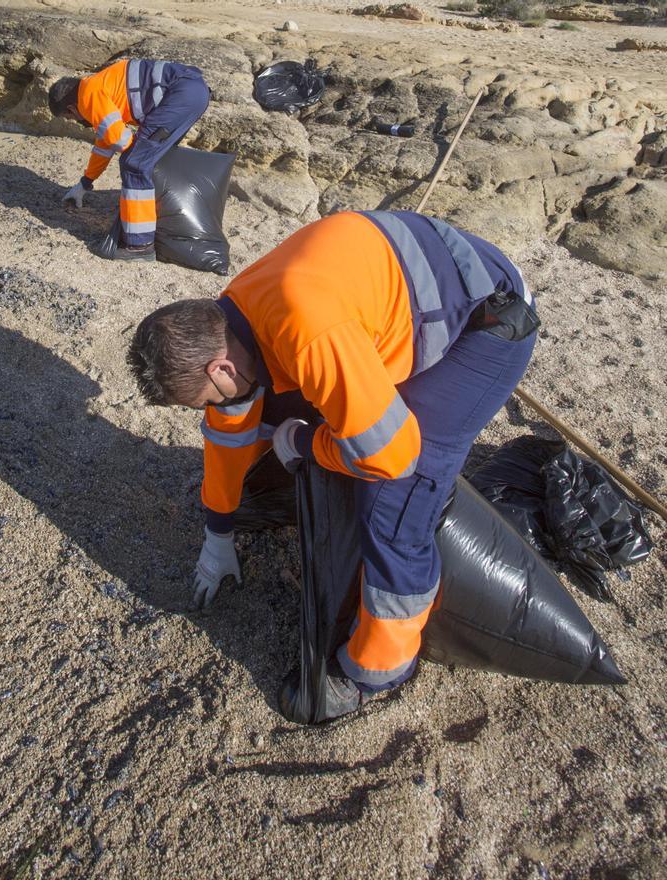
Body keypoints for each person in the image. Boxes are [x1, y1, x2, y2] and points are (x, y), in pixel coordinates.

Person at [126, 210, 539, 721]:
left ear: (220, 366)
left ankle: (377, 669)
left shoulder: (304, 328)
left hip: (486, 319)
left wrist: (307, 444)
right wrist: (219, 530)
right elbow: (231, 429)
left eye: (203, 398)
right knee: (277, 409)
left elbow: (393, 454)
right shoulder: (229, 320)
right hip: (405, 288)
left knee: (393, 501)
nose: (210, 408)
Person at [48, 59, 210, 262]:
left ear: (71, 109)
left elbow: (119, 141)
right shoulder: (98, 86)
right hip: (193, 92)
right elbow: (104, 144)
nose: (78, 123)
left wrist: (138, 153)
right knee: (150, 159)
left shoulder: (89, 96)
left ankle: (139, 246)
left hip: (181, 94)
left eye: (71, 118)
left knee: (134, 164)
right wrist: (85, 182)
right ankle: (161, 219)